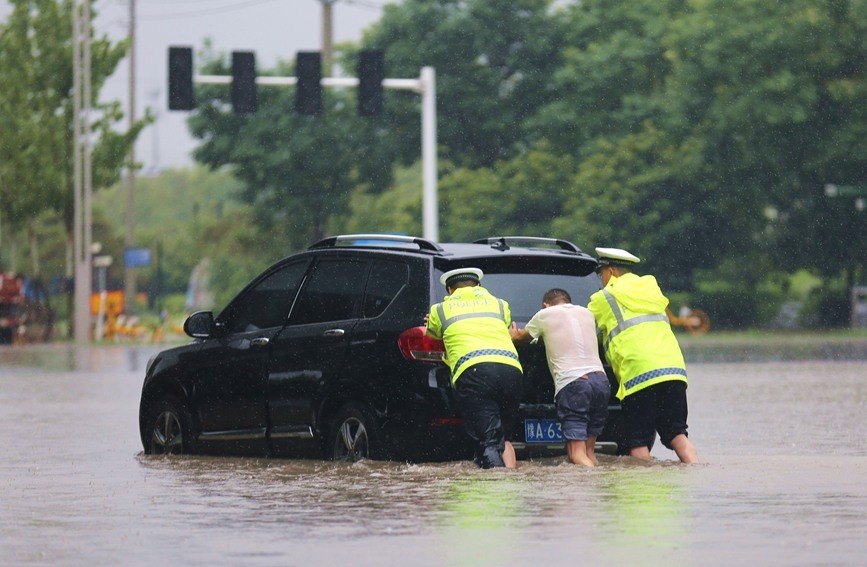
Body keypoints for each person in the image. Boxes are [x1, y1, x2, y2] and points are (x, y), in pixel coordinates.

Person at [587, 247, 700, 464]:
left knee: (637, 442)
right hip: (673, 370)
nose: (600, 279)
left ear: (611, 271)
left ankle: (643, 494)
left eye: (601, 273)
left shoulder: (604, 297)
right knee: (678, 434)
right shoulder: (652, 289)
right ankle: (694, 474)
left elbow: (580, 326)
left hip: (638, 374)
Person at [425, 267, 524, 469]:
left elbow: (432, 334)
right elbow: (503, 327)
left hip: (475, 372)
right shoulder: (499, 304)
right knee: (503, 437)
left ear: (450, 290)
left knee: (488, 441)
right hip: (512, 370)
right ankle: (511, 485)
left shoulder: (440, 309)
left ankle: (494, 491)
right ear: (478, 285)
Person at [509, 288, 609, 467]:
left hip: (575, 383)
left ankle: (592, 489)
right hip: (601, 381)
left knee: (576, 454)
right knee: (589, 452)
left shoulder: (545, 314)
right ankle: (598, 488)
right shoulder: (587, 313)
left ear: (545, 304)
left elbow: (521, 338)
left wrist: (513, 334)